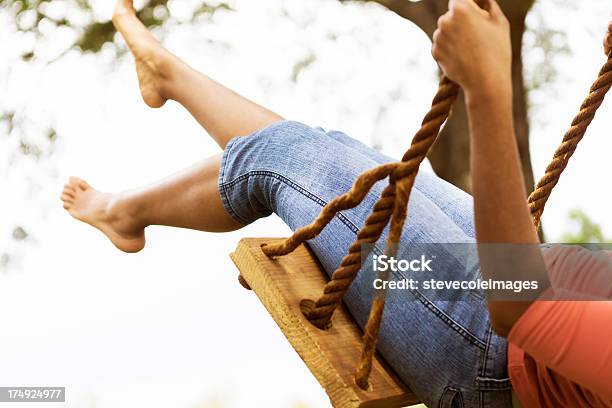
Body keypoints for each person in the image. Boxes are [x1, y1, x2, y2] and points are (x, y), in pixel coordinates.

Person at [60, 0, 612, 406]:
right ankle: (169, 77)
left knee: (289, 157)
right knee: (334, 154)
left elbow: (520, 311)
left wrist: (487, 87)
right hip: (544, 274)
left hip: (491, 344)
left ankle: (124, 212)